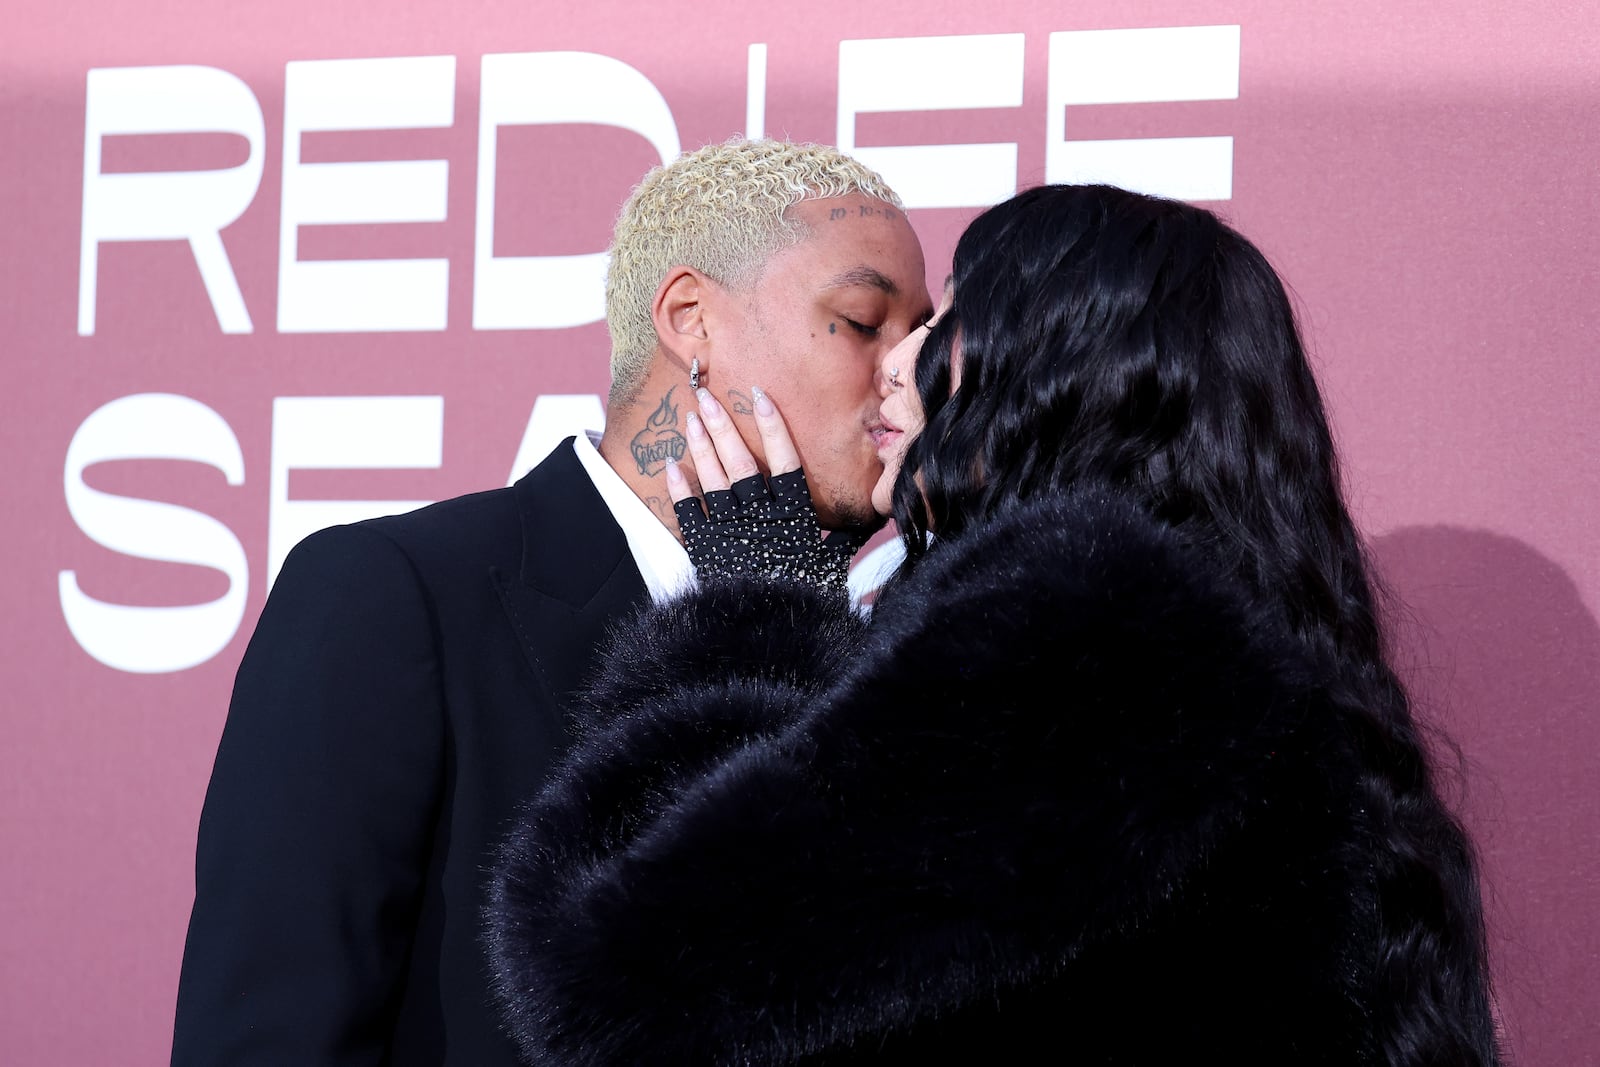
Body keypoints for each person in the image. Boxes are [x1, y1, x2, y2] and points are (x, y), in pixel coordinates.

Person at [484, 184, 1503, 1065]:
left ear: (1055, 373)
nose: (895, 365)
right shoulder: (1209, 646)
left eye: (944, 325)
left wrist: (757, 606)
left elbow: (610, 971)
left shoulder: (1087, 636)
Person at [169, 138, 932, 1066]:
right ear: (690, 318)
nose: (908, 371)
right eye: (862, 320)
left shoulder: (884, 655)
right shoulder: (393, 596)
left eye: (925, 333)